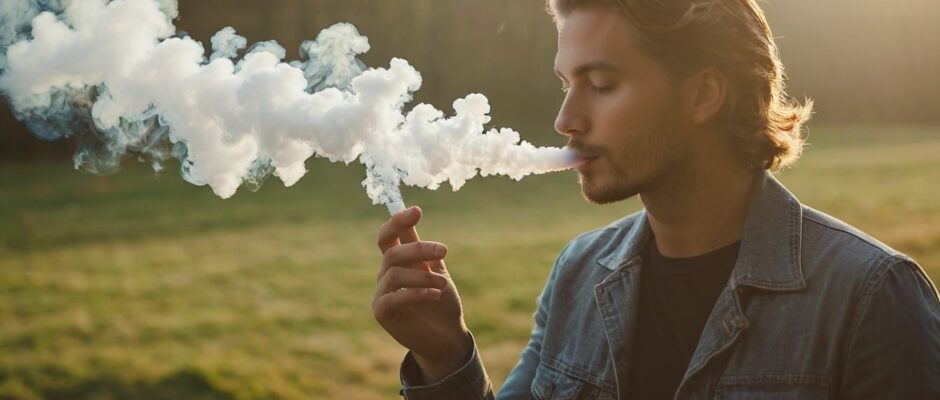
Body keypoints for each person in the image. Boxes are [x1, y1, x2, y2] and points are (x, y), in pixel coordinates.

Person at [370, 0, 940, 398]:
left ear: (703, 94)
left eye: (601, 85)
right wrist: (445, 356)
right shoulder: (579, 272)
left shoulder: (871, 298)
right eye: (566, 85)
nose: (565, 119)